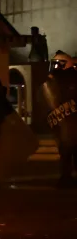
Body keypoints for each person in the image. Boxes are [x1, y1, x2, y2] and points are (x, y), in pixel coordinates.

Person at [45, 51, 77, 189]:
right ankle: (66, 177)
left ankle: (66, 178)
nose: (55, 67)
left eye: (58, 64)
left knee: (69, 152)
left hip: (71, 125)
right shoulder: (53, 82)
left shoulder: (70, 80)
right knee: (67, 153)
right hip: (65, 125)